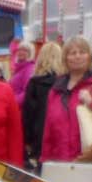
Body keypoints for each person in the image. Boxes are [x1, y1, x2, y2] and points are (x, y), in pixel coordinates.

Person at [40, 36, 92, 163]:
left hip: (90, 159)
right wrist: (45, 158)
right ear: (65, 58)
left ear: (89, 57)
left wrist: (91, 103)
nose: (77, 56)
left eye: (82, 52)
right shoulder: (55, 90)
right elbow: (48, 129)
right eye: (72, 53)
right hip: (60, 160)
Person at [21, 41, 63, 169]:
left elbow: (28, 113)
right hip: (60, 135)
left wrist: (27, 140)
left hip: (39, 134)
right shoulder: (65, 82)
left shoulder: (35, 83)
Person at [8, 41, 35, 106]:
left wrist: (12, 102)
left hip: (18, 108)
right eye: (19, 49)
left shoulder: (29, 69)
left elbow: (27, 92)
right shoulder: (19, 67)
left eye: (25, 50)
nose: (21, 52)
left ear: (30, 53)